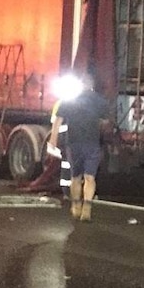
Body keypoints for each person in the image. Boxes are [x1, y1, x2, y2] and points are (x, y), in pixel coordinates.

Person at [48, 71, 109, 221]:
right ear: (92, 85)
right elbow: (105, 122)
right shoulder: (100, 101)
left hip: (74, 143)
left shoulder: (69, 100)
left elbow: (58, 121)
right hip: (92, 143)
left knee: (75, 177)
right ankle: (87, 208)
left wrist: (53, 139)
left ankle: (76, 206)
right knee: (90, 177)